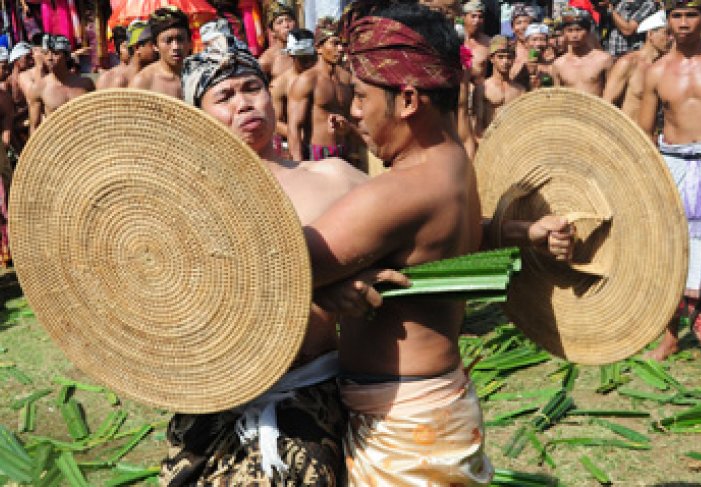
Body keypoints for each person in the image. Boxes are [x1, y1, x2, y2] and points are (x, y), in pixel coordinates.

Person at [303, 5, 573, 485]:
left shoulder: (402, 190)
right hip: (435, 405)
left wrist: (323, 290)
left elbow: (279, 265)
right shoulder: (453, 167)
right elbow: (443, 241)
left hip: (402, 426)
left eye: (363, 96)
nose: (355, 111)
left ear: (407, 100)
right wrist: (516, 231)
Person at [161, 42, 371, 487]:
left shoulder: (331, 177)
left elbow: (417, 219)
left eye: (251, 87)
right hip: (216, 401)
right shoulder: (184, 205)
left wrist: (515, 230)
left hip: (310, 393)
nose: (243, 103)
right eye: (224, 96)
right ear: (198, 115)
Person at [639, 0, 701, 360]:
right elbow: (646, 129)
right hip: (675, 165)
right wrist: (655, 174)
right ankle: (671, 336)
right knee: (673, 251)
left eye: (691, 15)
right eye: (676, 16)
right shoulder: (656, 71)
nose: (683, 23)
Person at [287, 17, 353, 162]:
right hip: (317, 155)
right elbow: (294, 127)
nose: (340, 49)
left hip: (344, 152)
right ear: (318, 48)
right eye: (334, 43)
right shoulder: (307, 80)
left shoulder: (347, 79)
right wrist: (299, 167)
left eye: (342, 44)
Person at [603, 10, 671, 120]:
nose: (671, 38)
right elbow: (607, 103)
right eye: (667, 33)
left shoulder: (667, 66)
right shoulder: (629, 63)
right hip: (629, 133)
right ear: (650, 34)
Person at [28, 35, 95, 134]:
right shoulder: (39, 87)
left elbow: (95, 116)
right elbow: (34, 127)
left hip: (84, 140)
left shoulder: (85, 84)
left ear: (66, 56)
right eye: (46, 53)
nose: (49, 58)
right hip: (58, 143)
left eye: (55, 53)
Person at [270, 28, 317, 157]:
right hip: (295, 144)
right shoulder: (280, 84)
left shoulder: (321, 78)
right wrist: (298, 134)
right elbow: (274, 122)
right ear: (292, 55)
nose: (308, 62)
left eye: (311, 57)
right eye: (303, 58)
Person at [130, 6, 191, 99]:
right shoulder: (143, 83)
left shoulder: (200, 77)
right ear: (155, 46)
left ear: (189, 42)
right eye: (168, 41)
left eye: (180, 39)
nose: (176, 47)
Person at [553, 7, 613, 96]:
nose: (574, 35)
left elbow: (613, 92)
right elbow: (557, 95)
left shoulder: (603, 59)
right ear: (564, 33)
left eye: (579, 30)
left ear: (588, 32)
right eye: (569, 31)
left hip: (597, 108)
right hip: (569, 108)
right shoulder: (559, 64)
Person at [476, 36, 525, 135]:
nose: (505, 61)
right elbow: (478, 127)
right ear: (492, 58)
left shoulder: (520, 90)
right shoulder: (483, 88)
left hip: (513, 140)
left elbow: (523, 122)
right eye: (501, 57)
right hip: (490, 141)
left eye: (509, 57)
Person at [97, 21, 156, 89]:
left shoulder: (152, 77)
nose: (155, 49)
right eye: (151, 44)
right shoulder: (119, 81)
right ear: (137, 48)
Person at [7, 42, 34, 158]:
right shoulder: (7, 84)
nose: (31, 61)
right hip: (15, 124)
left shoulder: (33, 79)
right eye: (27, 58)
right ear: (16, 61)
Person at [258, 1, 297, 80]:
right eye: (280, 22)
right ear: (272, 32)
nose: (286, 25)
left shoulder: (307, 52)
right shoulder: (266, 61)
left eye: (289, 20)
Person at [509, 4, 535, 87]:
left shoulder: (543, 50)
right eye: (518, 23)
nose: (523, 27)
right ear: (512, 28)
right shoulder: (507, 49)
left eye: (527, 22)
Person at [524, 22, 555, 88]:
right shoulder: (519, 66)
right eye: (534, 39)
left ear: (547, 43)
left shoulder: (552, 66)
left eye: (542, 40)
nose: (538, 44)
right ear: (526, 43)